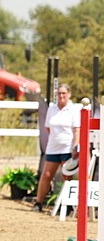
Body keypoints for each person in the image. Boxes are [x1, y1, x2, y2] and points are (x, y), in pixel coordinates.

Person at [33, 84, 81, 212]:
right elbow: (48, 127)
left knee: (67, 177)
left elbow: (77, 130)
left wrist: (75, 147)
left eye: (64, 93)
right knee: (47, 175)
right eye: (59, 93)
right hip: (53, 148)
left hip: (67, 147)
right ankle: (38, 202)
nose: (61, 96)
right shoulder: (52, 109)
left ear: (69, 94)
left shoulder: (73, 110)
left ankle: (68, 205)